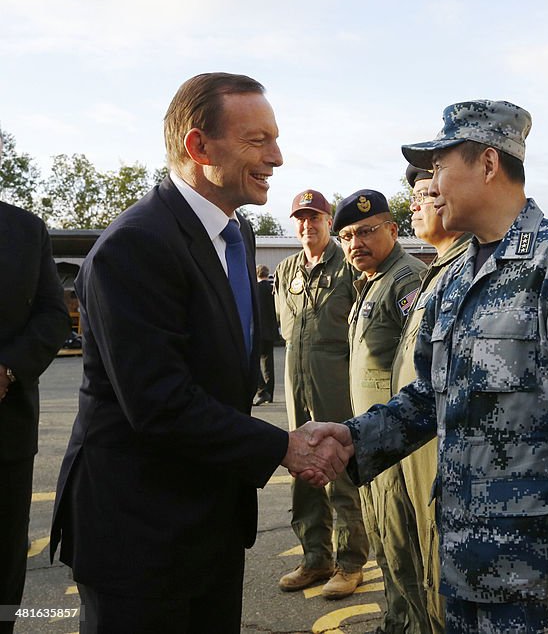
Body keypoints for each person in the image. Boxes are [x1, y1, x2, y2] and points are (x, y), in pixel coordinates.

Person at [49, 72, 350, 633]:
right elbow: (160, 403)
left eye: (275, 138)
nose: (277, 157)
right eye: (257, 140)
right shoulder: (136, 245)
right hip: (140, 532)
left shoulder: (236, 235)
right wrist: (285, 446)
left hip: (210, 518)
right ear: (198, 146)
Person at [316, 100, 548, 633]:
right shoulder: (456, 274)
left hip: (535, 570)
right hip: (461, 554)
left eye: (439, 167)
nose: (430, 185)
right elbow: (428, 395)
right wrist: (351, 439)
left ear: (488, 163)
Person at [335, 188, 427, 631]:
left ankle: (411, 623)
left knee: (402, 542)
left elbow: (419, 367)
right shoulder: (373, 282)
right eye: (348, 236)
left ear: (394, 229)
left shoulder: (406, 279)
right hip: (374, 441)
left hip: (398, 443)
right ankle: (397, 620)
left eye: (367, 231)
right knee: (384, 539)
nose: (356, 243)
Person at [274, 189, 369, 598]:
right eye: (301, 218)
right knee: (302, 470)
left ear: (330, 223)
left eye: (315, 218)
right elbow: (285, 329)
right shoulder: (285, 269)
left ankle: (350, 563)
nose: (307, 225)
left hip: (336, 386)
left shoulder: (348, 266)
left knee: (339, 470)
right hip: (296, 384)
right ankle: (315, 558)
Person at [393, 164, 473, 633]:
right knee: (423, 567)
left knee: (442, 575)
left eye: (428, 193)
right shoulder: (436, 271)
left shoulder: (470, 269)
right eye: (418, 196)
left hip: (443, 457)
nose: (419, 204)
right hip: (412, 445)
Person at [0, 132, 71, 634]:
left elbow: (52, 317)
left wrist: (7, 368)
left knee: (4, 564)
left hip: (6, 431)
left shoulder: (25, 230)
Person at [253, 264, 276, 406]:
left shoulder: (255, 289)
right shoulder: (273, 289)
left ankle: (262, 390)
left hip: (259, 331)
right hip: (271, 331)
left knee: (254, 362)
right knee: (269, 364)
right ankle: (270, 392)